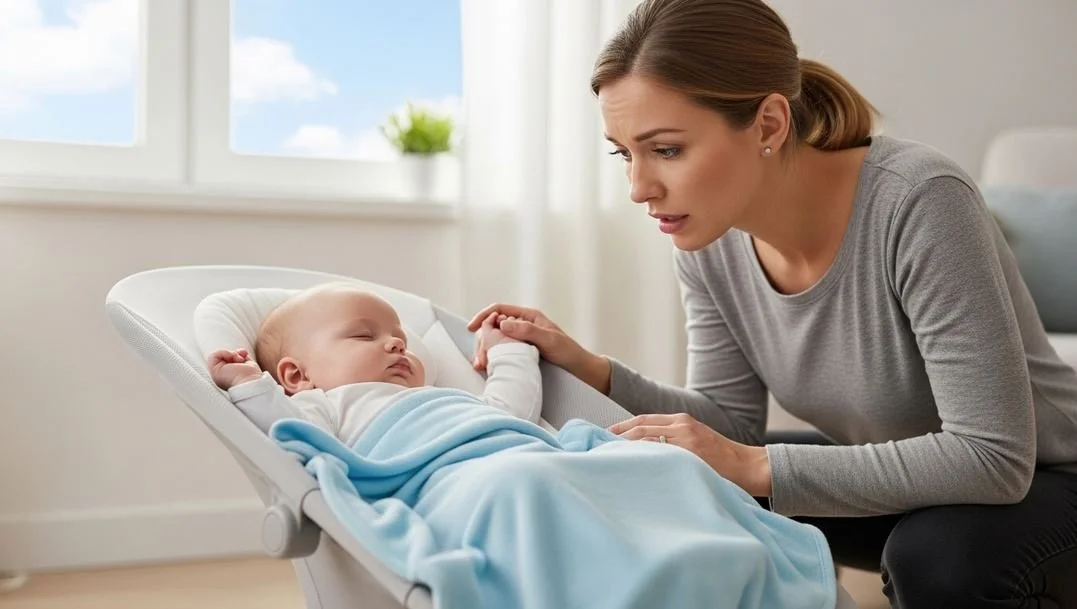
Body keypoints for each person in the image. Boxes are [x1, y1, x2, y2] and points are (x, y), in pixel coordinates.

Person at [467, 0, 1077, 607]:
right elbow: (729, 424)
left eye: (668, 150)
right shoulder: (706, 238)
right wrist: (586, 366)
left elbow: (992, 457)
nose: (638, 188)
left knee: (939, 557)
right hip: (927, 486)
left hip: (1046, 480)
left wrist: (753, 466)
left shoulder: (919, 202)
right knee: (687, 481)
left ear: (767, 124)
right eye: (624, 153)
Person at [207, 283, 542, 443]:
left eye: (403, 341)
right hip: (451, 478)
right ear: (297, 375)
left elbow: (511, 412)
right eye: (364, 337)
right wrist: (249, 384)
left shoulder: (447, 397)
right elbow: (291, 431)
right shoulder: (326, 406)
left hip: (514, 450)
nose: (397, 343)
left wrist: (506, 349)